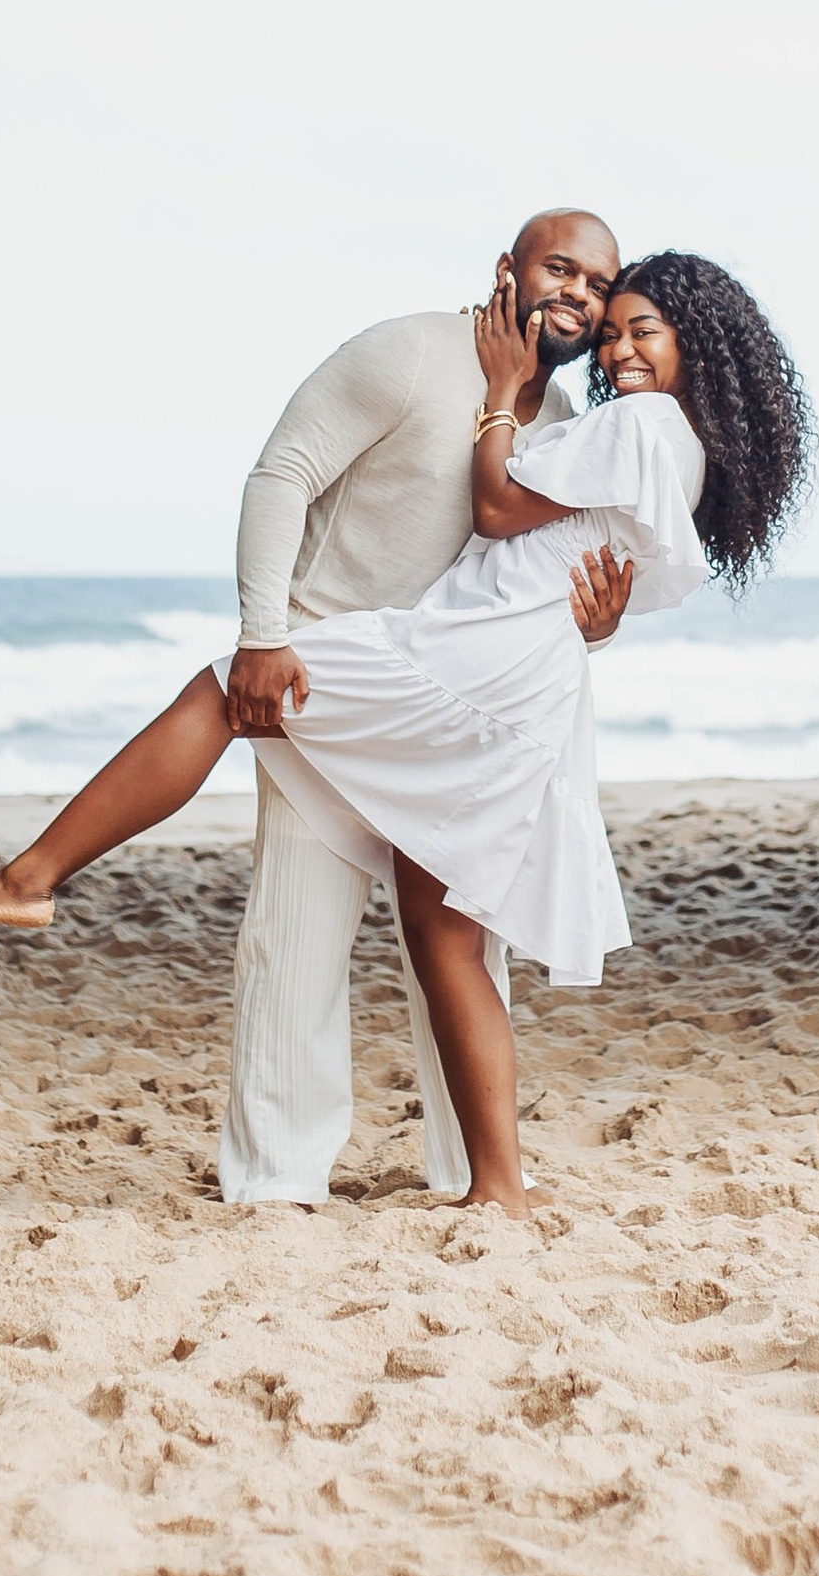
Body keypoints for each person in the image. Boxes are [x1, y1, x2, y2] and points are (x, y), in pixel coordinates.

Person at [0, 251, 816, 1218]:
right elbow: (614, 572)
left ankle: (32, 877)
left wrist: (504, 393)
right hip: (521, 692)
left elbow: (499, 507)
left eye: (639, 324)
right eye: (611, 327)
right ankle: (498, 1190)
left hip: (459, 668)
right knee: (447, 944)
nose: (617, 340)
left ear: (697, 345)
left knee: (226, 690)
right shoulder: (646, 435)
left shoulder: (624, 420)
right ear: (507, 271)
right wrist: (587, 614)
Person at [210, 210, 634, 1205]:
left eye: (595, 282)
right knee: (298, 929)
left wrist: (597, 624)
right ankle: (277, 1180)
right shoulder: (405, 354)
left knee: (456, 950)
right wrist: (263, 636)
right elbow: (282, 477)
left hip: (455, 709)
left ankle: (464, 1174)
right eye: (557, 268)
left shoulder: (568, 429)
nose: (575, 292)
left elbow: (539, 584)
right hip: (329, 682)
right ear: (507, 273)